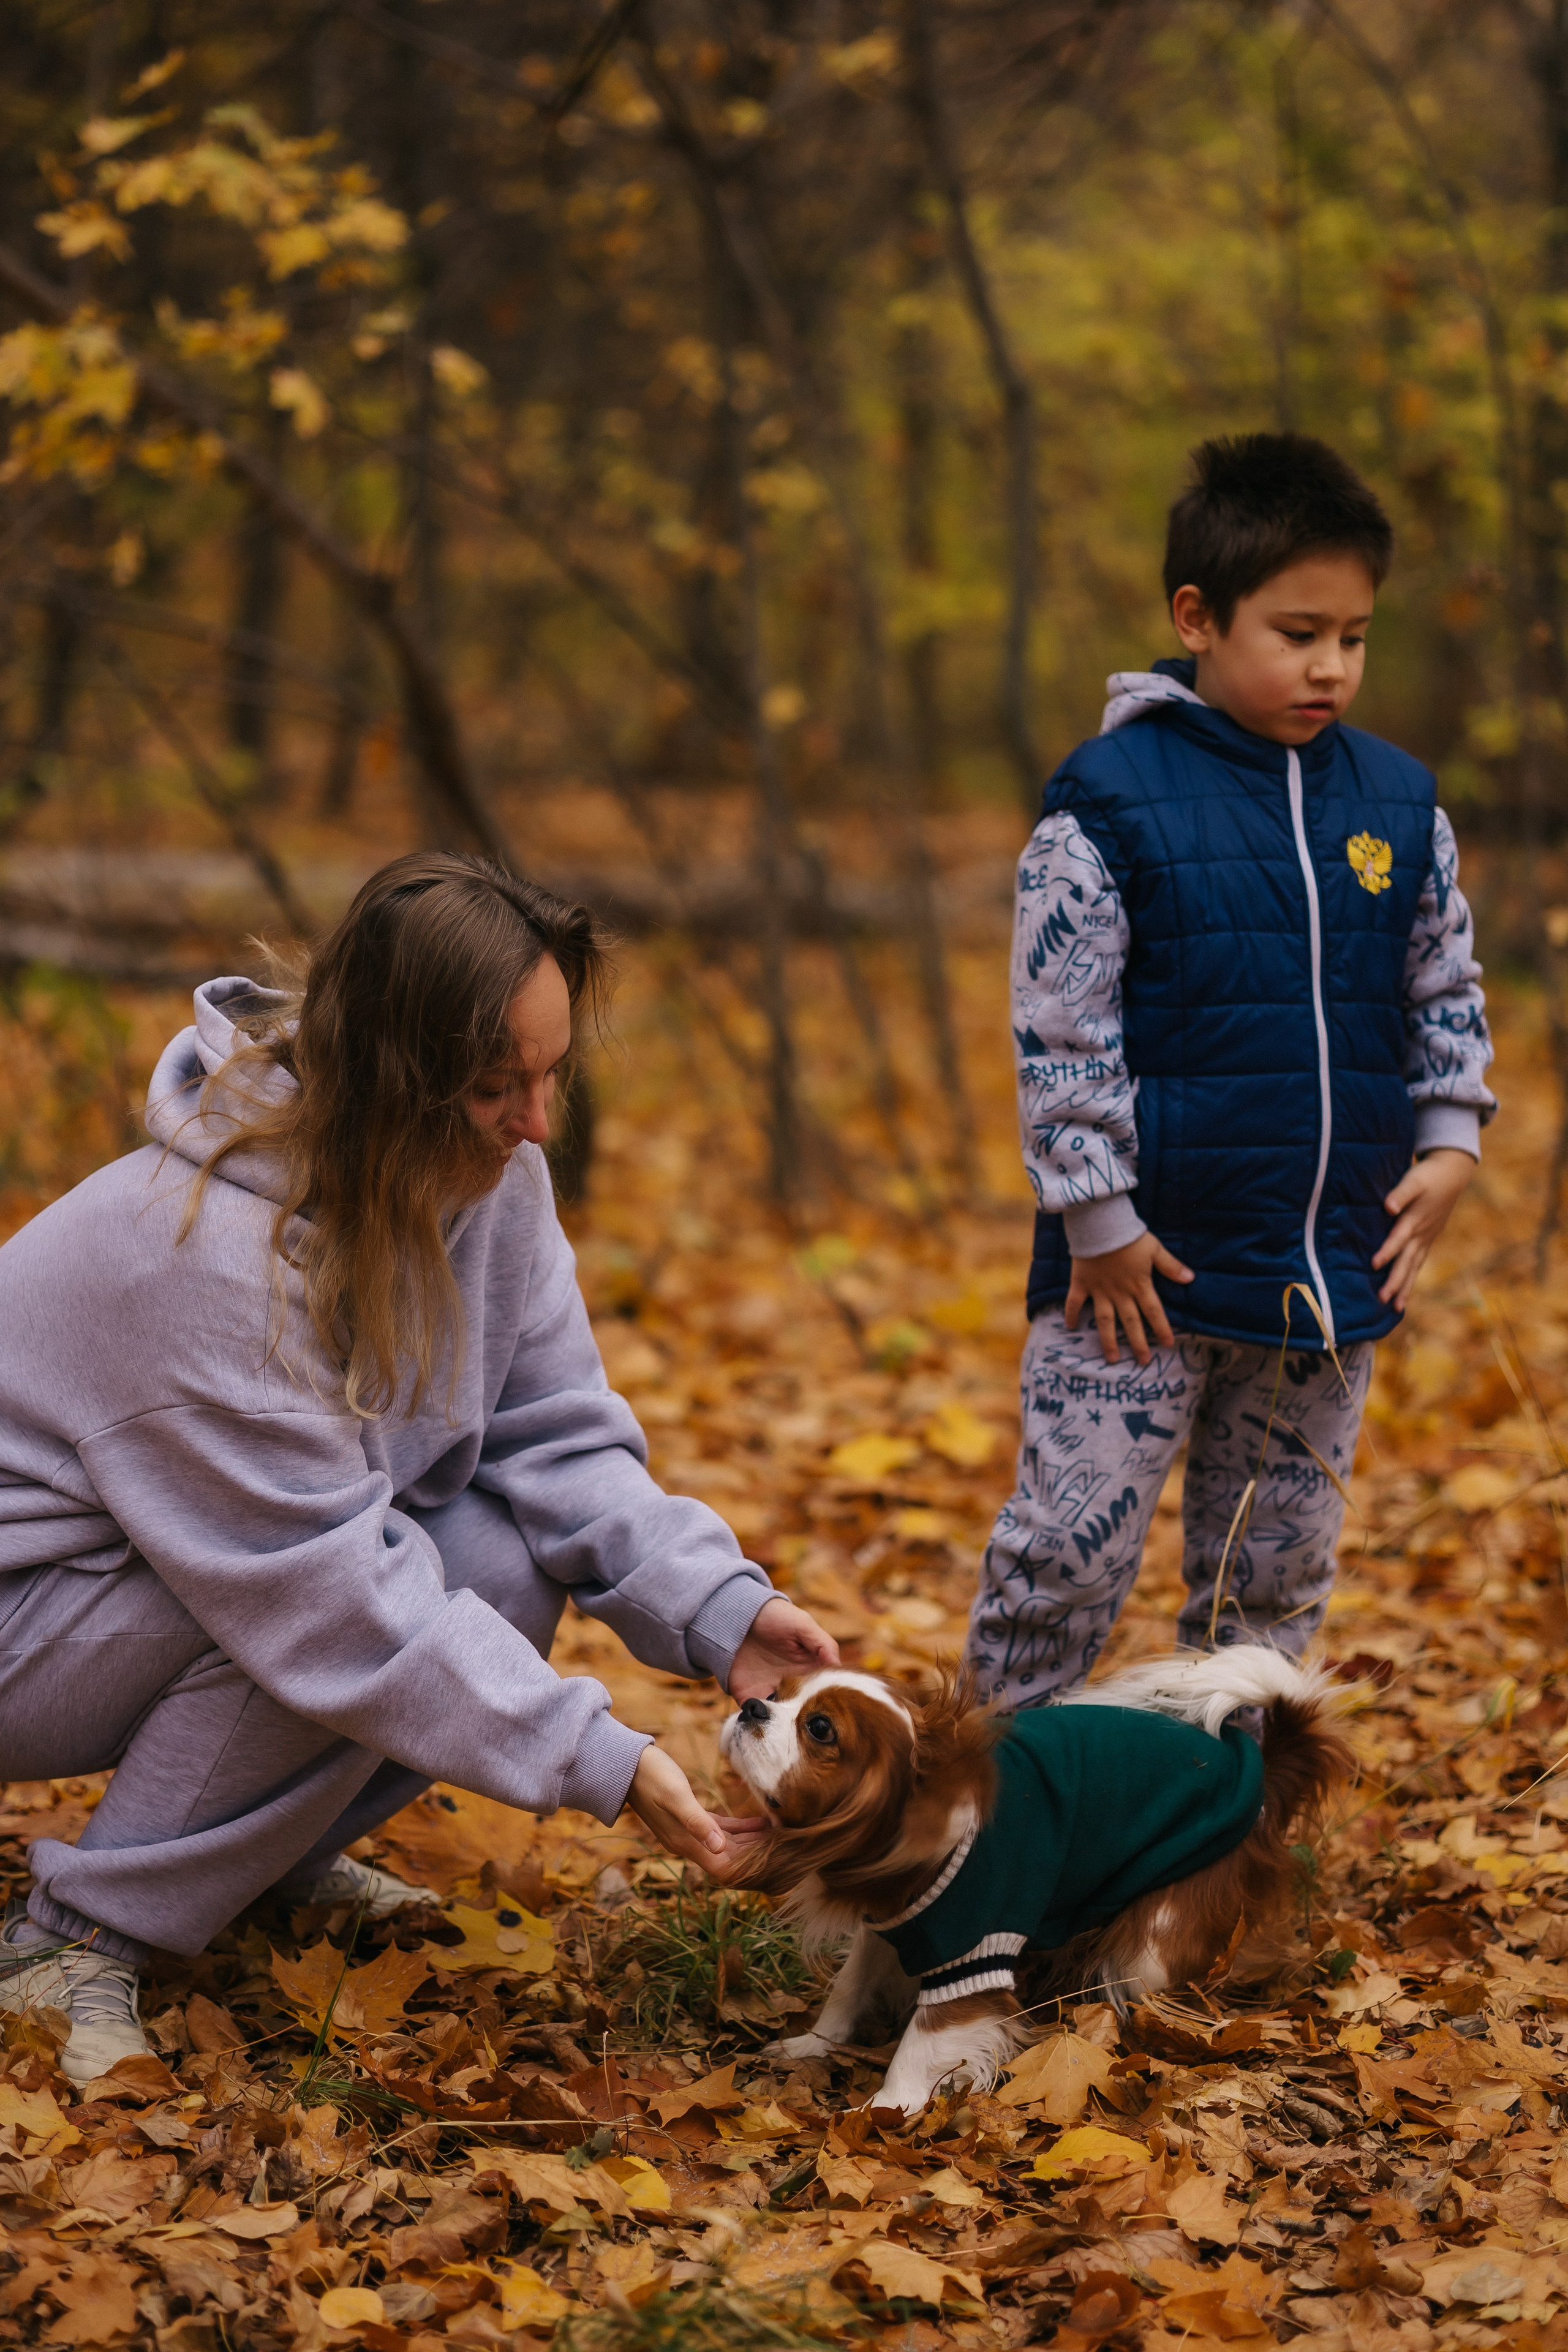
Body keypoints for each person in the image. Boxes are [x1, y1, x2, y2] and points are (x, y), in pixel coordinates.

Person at [0, 853, 837, 2082]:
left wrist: (720, 1610)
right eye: (497, 1086)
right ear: (392, 1083)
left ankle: (252, 1861)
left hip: (143, 1583)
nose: (539, 1122)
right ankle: (71, 1946)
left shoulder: (487, 1179)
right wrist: (608, 1761)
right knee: (344, 1607)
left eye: (549, 1075)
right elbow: (329, 1598)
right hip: (26, 1610)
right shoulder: (197, 1252)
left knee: (493, 1563)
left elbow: (554, 1431)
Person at [967, 432, 1495, 1711]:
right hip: (1134, 1279)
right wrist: (1094, 1219)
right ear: (1195, 618)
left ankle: (1214, 1843)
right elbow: (1060, 1024)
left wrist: (1447, 1141)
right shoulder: (1109, 800)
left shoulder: (1394, 804)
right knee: (1067, 1561)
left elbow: (1442, 985)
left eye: (1352, 637)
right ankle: (977, 1822)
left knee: (1267, 1584)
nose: (1328, 666)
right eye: (1296, 631)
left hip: (1322, 1278)